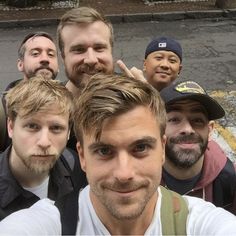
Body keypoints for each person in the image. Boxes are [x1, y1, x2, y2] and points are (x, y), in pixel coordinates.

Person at [1, 73, 236, 235]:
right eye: (104, 151)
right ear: (82, 156)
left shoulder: (199, 223)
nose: (124, 173)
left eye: (141, 148)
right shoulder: (48, 225)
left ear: (162, 149)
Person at [0, 76, 84, 227]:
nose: (44, 142)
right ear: (10, 127)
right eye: (32, 126)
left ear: (69, 132)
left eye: (56, 128)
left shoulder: (75, 167)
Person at [160, 80, 236, 213]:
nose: (188, 129)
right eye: (174, 119)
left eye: (197, 120)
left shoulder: (230, 179)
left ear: (210, 130)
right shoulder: (137, 176)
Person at [0, 31, 59, 152]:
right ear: (20, 64)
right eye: (36, 54)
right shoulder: (2, 110)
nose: (45, 59)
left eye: (51, 54)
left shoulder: (70, 104)